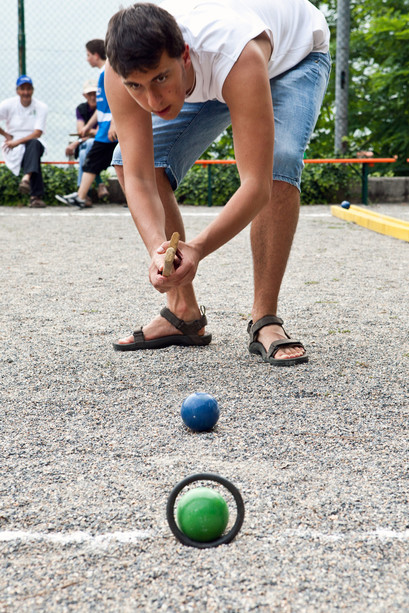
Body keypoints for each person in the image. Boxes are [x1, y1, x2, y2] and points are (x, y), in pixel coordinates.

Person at [104, 0, 331, 365]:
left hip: (292, 56)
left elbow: (256, 185)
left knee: (279, 162)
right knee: (127, 162)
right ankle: (182, 314)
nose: (151, 99)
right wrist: (157, 251)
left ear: (185, 55)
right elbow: (141, 176)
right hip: (213, 72)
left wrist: (196, 248)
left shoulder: (233, 53)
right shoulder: (120, 74)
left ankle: (265, 319)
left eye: (160, 78)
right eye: (136, 86)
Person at [56, 39, 116, 209]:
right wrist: (88, 126)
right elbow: (102, 107)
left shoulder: (109, 72)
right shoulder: (103, 73)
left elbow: (117, 101)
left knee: (93, 161)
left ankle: (81, 196)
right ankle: (81, 196)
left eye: (88, 55)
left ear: (96, 55)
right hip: (104, 129)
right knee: (117, 165)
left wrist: (114, 124)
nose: (87, 59)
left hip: (108, 131)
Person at [0, 75, 48, 208]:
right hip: (13, 144)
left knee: (33, 144)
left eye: (28, 89)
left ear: (32, 90)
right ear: (17, 91)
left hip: (32, 142)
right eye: (23, 89)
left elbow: (37, 133)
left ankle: (26, 178)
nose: (25, 92)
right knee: (33, 152)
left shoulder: (40, 107)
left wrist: (17, 142)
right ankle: (35, 197)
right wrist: (6, 135)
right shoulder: (8, 105)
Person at [65, 79, 108, 206]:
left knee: (86, 152)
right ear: (85, 96)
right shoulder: (81, 108)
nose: (93, 97)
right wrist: (90, 133)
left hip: (100, 146)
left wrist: (82, 137)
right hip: (92, 145)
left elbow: (96, 133)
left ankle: (83, 194)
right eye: (90, 94)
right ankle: (98, 185)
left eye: (95, 93)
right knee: (89, 146)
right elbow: (82, 131)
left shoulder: (103, 107)